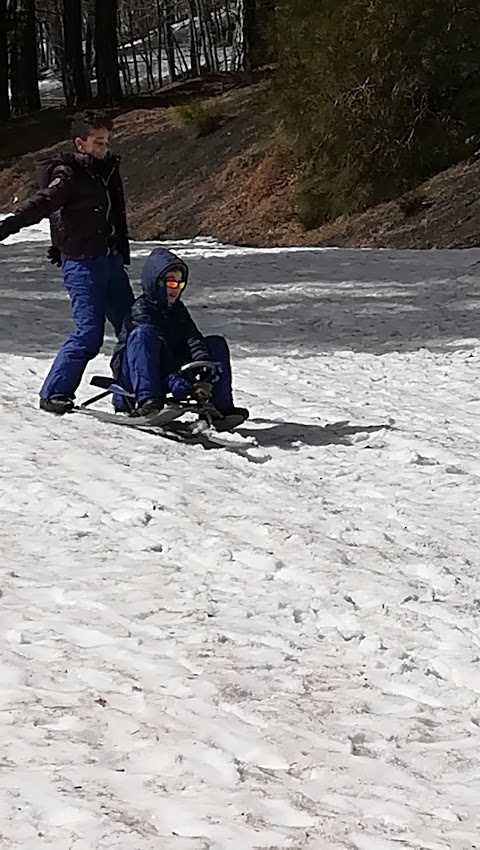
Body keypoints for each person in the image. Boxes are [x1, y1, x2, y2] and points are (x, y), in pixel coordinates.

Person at [0, 110, 134, 414]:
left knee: (133, 328)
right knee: (89, 335)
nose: (103, 148)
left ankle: (128, 394)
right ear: (80, 143)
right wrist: (8, 226)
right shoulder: (69, 174)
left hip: (111, 262)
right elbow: (43, 203)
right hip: (83, 266)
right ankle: (54, 393)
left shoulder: (107, 169)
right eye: (97, 142)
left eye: (106, 142)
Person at [110, 247, 249, 427]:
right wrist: (172, 378)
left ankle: (220, 407)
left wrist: (203, 365)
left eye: (179, 283)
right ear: (157, 283)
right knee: (144, 334)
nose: (176, 289)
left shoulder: (177, 310)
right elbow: (152, 352)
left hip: (171, 370)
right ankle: (148, 401)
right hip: (136, 373)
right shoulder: (140, 310)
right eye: (170, 283)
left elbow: (192, 337)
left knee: (215, 343)